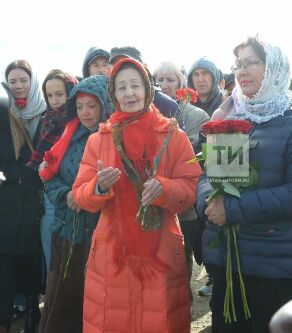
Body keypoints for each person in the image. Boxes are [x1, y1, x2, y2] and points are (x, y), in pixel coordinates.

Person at [72, 57, 201, 333]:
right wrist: (99, 187)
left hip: (161, 251)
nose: (129, 93)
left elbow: (191, 188)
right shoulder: (99, 139)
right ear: (113, 94)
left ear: (147, 88)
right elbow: (80, 195)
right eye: (121, 88)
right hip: (111, 255)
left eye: (135, 85)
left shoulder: (172, 135)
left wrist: (165, 188)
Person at [197, 37, 292, 333]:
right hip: (226, 259)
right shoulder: (233, 118)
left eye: (251, 62)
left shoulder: (288, 123)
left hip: (271, 265)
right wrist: (206, 204)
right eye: (238, 64)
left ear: (274, 69)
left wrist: (233, 209)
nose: (242, 71)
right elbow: (208, 177)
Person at [38, 74, 112, 333]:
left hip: (99, 237)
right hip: (66, 233)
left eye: (92, 106)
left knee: (94, 306)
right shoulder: (68, 137)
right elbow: (49, 177)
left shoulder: (115, 139)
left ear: (106, 104)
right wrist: (66, 195)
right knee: (63, 303)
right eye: (79, 106)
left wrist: (84, 195)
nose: (85, 113)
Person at [0, 59, 46, 333]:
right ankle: (2, 320)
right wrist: (19, 173)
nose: (19, 86)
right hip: (10, 199)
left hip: (38, 197)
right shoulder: (1, 112)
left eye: (24, 80)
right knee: (5, 262)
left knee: (32, 260)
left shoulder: (46, 110)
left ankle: (32, 314)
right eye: (13, 82)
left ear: (33, 82)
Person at [153, 60, 210, 300]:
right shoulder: (148, 111)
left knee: (180, 260)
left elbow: (196, 156)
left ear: (181, 83)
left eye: (170, 80)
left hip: (184, 202)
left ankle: (180, 306)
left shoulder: (196, 115)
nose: (164, 85)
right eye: (159, 80)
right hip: (154, 200)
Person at [26, 69, 78, 278]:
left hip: (75, 194)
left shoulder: (80, 118)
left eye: (60, 94)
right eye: (50, 95)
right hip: (49, 193)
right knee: (51, 254)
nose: (55, 100)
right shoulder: (46, 120)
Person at [109, 46, 185, 129]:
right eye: (116, 64)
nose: (123, 68)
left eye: (129, 63)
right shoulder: (104, 102)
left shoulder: (166, 104)